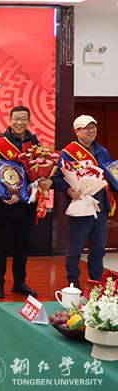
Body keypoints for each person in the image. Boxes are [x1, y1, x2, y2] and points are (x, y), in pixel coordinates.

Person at [0, 106, 49, 298]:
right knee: (1, 246)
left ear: (29, 121)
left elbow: (38, 170)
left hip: (26, 204)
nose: (19, 122)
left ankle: (19, 282)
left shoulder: (35, 144)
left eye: (23, 119)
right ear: (10, 119)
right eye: (16, 118)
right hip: (4, 203)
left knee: (22, 246)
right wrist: (7, 193)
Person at [54, 115, 116, 289]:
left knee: (98, 247)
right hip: (80, 205)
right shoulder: (68, 152)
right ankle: (73, 282)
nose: (91, 130)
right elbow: (58, 177)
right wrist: (68, 189)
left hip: (100, 205)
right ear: (77, 131)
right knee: (75, 247)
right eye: (87, 128)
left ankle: (96, 282)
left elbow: (111, 173)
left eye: (93, 127)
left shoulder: (102, 151)